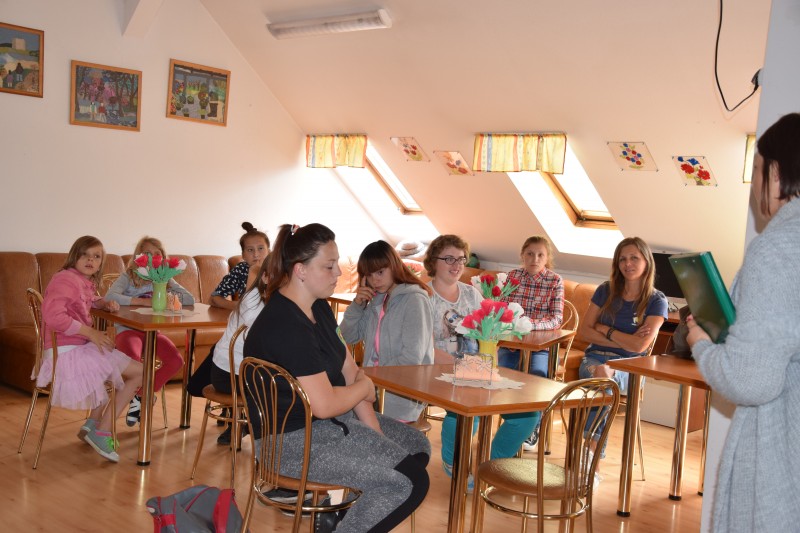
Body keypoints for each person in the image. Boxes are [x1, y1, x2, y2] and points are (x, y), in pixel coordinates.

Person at [243, 223, 430, 533]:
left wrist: (374, 433)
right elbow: (326, 404)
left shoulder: (319, 308)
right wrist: (364, 388)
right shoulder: (286, 325)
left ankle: (344, 521)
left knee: (417, 444)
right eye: (329, 266)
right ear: (300, 270)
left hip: (329, 425)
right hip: (293, 445)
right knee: (409, 483)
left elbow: (351, 371)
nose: (338, 273)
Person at [686, 113, 800, 532]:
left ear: (776, 172)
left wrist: (702, 343)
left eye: (756, 169)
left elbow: (751, 380)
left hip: (783, 448)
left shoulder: (778, 250)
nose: (753, 185)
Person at [424, 234, 536, 485]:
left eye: (461, 259)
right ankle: (454, 462)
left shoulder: (471, 294)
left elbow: (489, 335)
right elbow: (425, 347)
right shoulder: (424, 296)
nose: (456, 265)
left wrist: (488, 367)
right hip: (438, 370)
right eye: (449, 258)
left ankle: (492, 467)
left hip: (477, 369)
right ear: (433, 261)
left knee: (529, 414)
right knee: (468, 412)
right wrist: (463, 368)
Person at [39, 236, 143, 462]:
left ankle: (92, 424)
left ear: (101, 262)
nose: (90, 260)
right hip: (67, 354)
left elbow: (84, 299)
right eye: (85, 254)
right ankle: (102, 431)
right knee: (140, 373)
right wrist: (91, 333)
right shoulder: (66, 280)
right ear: (74, 256)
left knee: (112, 367)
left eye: (96, 257)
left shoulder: (76, 279)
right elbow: (53, 316)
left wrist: (102, 302)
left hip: (70, 349)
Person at [578, 236, 667, 468]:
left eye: (634, 258)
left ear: (646, 261)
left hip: (631, 367)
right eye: (622, 259)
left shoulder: (657, 301)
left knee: (604, 379)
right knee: (602, 376)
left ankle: (589, 457)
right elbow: (584, 331)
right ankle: (591, 460)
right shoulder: (605, 290)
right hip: (593, 359)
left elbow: (639, 348)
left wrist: (605, 329)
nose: (628, 264)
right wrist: (627, 340)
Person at [340, 240, 434, 422]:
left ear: (394, 266)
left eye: (380, 272)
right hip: (373, 392)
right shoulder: (378, 299)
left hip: (400, 397)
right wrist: (358, 305)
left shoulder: (414, 300)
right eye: (369, 275)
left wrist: (370, 377)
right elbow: (347, 337)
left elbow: (411, 358)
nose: (375, 280)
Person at [105, 236, 194, 427]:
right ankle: (140, 397)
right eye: (147, 253)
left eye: (156, 254)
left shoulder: (164, 277)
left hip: (152, 333)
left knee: (176, 361)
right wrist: (141, 301)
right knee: (134, 360)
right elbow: (109, 296)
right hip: (127, 330)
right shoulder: (129, 276)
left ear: (163, 257)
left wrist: (166, 293)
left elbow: (190, 299)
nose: (152, 257)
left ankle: (141, 396)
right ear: (139, 257)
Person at [497, 235, 564, 450]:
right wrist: (512, 327)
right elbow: (502, 309)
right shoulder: (513, 277)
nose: (535, 259)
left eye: (540, 255)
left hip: (541, 348)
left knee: (537, 376)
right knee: (502, 375)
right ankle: (513, 424)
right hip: (511, 345)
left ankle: (532, 425)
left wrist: (528, 325)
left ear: (547, 258)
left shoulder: (554, 281)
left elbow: (556, 319)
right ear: (522, 255)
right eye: (530, 254)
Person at [210, 257, 267, 446]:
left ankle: (246, 425)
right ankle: (255, 430)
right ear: (265, 277)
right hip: (229, 375)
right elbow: (261, 345)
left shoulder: (259, 297)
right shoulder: (253, 300)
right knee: (280, 388)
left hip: (234, 372)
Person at [210, 222, 270, 310]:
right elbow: (213, 299)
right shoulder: (241, 269)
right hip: (247, 317)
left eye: (260, 248)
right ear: (243, 255)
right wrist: (239, 306)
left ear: (269, 251)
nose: (256, 254)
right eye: (250, 250)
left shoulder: (279, 269)